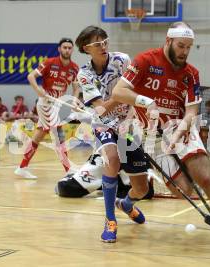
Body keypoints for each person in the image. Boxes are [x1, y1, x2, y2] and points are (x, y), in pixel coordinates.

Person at [112, 22, 210, 243]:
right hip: (150, 135)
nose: (185, 52)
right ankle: (129, 200)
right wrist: (147, 102)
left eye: (189, 47)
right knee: (182, 191)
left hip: (179, 126)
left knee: (205, 176)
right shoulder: (145, 60)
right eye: (181, 46)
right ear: (168, 41)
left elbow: (192, 111)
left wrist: (179, 133)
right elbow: (119, 91)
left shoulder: (191, 74)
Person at [75, 26, 151, 243]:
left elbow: (136, 95)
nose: (103, 46)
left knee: (142, 188)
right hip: (103, 124)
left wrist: (128, 120)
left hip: (129, 121)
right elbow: (99, 109)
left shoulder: (122, 60)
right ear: (86, 49)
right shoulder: (85, 74)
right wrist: (120, 95)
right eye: (97, 43)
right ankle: (110, 220)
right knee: (112, 159)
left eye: (105, 41)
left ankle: (125, 204)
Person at [14, 38, 79, 179]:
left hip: (57, 103)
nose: (67, 50)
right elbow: (31, 76)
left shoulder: (74, 68)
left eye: (69, 47)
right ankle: (68, 169)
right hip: (46, 103)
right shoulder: (49, 62)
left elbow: (76, 88)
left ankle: (22, 167)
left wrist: (74, 100)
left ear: (72, 49)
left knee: (39, 135)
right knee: (59, 134)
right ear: (59, 49)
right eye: (64, 47)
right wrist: (38, 91)